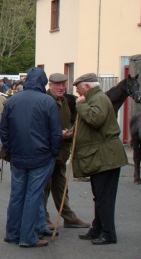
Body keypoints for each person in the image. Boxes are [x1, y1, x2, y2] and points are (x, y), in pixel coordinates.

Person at [0, 67, 62, 247]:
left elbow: (4, 130)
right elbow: (55, 132)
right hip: (41, 156)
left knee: (17, 195)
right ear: (42, 82)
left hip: (18, 155)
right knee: (33, 196)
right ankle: (28, 237)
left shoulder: (12, 101)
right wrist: (54, 152)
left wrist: (11, 151)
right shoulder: (47, 101)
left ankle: (12, 233)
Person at [72, 73, 128, 245]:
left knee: (105, 197)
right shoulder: (95, 98)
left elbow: (95, 119)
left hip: (106, 156)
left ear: (87, 86)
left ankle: (108, 233)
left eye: (78, 87)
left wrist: (80, 106)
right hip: (102, 156)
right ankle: (97, 228)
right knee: (100, 196)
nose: (77, 91)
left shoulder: (99, 99)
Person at [44, 73, 91, 230]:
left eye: (63, 84)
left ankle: (69, 218)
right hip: (48, 152)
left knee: (61, 187)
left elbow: (69, 121)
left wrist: (71, 132)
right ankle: (43, 219)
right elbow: (41, 126)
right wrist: (59, 134)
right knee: (45, 187)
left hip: (62, 151)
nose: (61, 87)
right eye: (57, 84)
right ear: (50, 85)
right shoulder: (45, 100)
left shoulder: (65, 101)